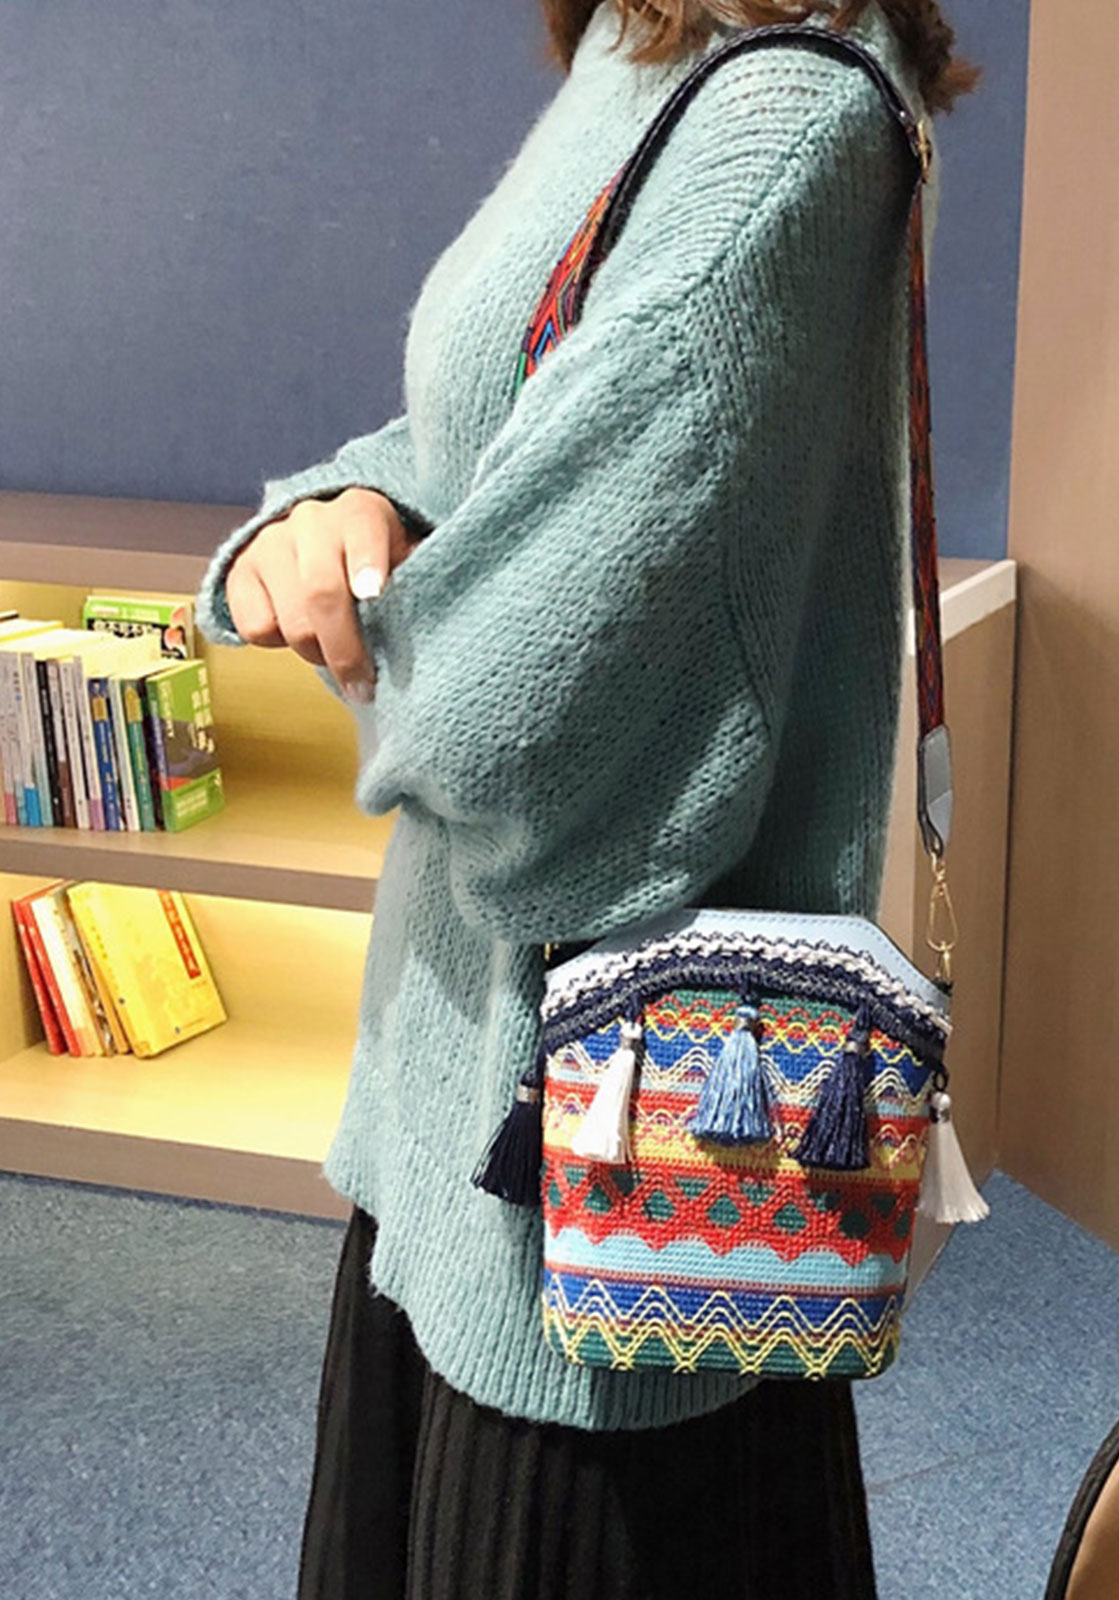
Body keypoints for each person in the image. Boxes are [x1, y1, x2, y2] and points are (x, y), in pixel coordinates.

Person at [193, 2, 976, 1596]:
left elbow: (519, 738)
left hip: (587, 1197)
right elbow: (489, 425)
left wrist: (388, 641)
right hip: (463, 1114)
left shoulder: (784, 126)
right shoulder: (643, 36)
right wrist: (344, 504)